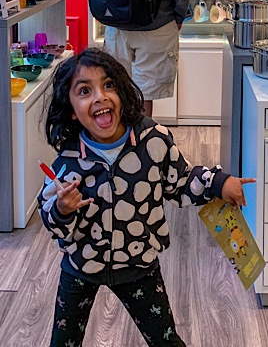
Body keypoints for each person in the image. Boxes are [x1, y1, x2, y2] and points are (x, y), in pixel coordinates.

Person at [38, 48, 255, 347]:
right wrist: (62, 210)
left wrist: (218, 183)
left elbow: (181, 181)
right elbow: (54, 223)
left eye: (108, 85)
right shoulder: (68, 160)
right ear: (72, 109)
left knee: (166, 341)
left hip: (139, 265)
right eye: (85, 91)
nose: (100, 97)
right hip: (80, 268)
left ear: (122, 91)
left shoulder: (153, 140)